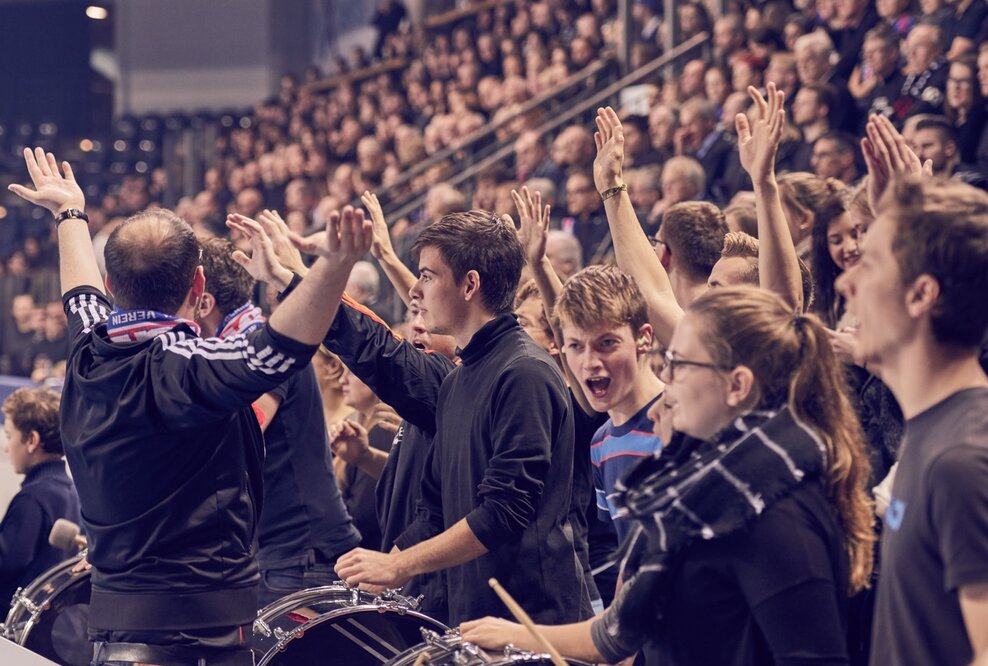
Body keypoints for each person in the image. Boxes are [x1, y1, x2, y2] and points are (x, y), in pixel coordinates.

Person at [8, 147, 373, 665]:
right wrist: (334, 265)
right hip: (204, 635)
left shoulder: (89, 350)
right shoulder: (193, 367)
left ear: (115, 287)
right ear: (197, 284)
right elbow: (282, 347)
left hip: (112, 631)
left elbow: (80, 295)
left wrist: (70, 213)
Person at [461, 286, 876, 665]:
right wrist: (518, 635)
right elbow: (620, 632)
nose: (667, 383)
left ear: (737, 385)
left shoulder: (776, 511)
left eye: (677, 364)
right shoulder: (709, 495)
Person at [333, 210, 592, 626]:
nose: (416, 290)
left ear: (470, 284)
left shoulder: (525, 372)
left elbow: (504, 511)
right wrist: (385, 565)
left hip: (532, 621)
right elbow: (434, 509)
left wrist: (400, 567)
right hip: (472, 615)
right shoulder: (457, 380)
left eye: (428, 276)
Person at [839, 129, 988, 663]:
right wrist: (902, 210)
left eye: (869, 263)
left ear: (923, 294)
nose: (844, 284)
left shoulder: (962, 460)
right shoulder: (934, 430)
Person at [197, 236, 361, 609]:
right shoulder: (242, 343)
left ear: (203, 301)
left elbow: (245, 431)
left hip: (302, 554)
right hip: (286, 552)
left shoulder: (261, 343)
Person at [554, 265, 665, 551]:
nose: (589, 362)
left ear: (644, 337)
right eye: (576, 346)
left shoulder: (683, 424)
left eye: (606, 343)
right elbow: (628, 554)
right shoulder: (601, 443)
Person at [0, 387, 81, 606]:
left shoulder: (33, 498)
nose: (7, 448)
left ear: (31, 440)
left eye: (9, 436)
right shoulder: (73, 492)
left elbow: (7, 563)